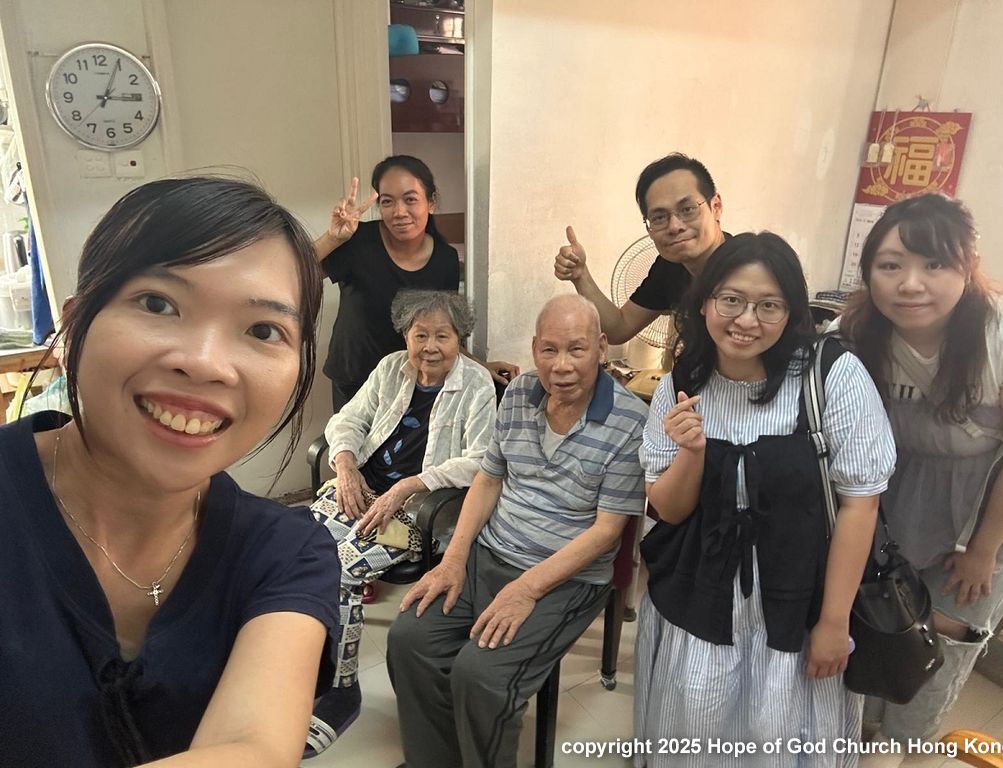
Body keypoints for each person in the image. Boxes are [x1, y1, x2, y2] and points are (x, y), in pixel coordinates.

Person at [0, 177, 341, 767]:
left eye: (263, 330)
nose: (206, 364)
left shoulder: (288, 551)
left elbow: (254, 749)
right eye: (158, 304)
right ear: (73, 327)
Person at [635, 233, 896, 767]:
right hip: (701, 597)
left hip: (798, 598)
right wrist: (691, 453)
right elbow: (670, 509)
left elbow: (860, 503)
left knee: (779, 735)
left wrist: (834, 622)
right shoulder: (682, 381)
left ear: (792, 313)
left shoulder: (830, 376)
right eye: (731, 300)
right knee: (697, 726)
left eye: (768, 305)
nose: (746, 320)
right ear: (704, 302)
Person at [386, 294, 648, 768]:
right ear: (534, 349)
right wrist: (453, 559)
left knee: (481, 675)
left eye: (577, 349)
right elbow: (488, 479)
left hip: (565, 578)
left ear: (601, 347)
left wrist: (526, 589)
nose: (562, 366)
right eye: (549, 350)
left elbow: (607, 531)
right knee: (410, 640)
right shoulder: (520, 392)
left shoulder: (630, 420)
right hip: (490, 553)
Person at [839, 194, 1003, 759]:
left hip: (987, 506)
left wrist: (983, 551)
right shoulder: (857, 331)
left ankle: (900, 743)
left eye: (934, 264)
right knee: (878, 615)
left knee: (945, 633)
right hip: (894, 494)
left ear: (967, 266)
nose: (910, 284)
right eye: (891, 265)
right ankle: (857, 727)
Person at [304, 289, 495, 758]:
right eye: (420, 334)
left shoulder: (476, 384)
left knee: (341, 567)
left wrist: (410, 485)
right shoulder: (391, 367)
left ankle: (341, 689)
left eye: (442, 336)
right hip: (361, 492)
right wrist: (345, 465)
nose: (430, 346)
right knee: (296, 551)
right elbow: (348, 420)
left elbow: (481, 460)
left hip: (418, 512)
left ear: (460, 339)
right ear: (405, 335)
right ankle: (303, 668)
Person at [315, 155, 517, 410]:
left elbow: (443, 329)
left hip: (414, 382)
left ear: (431, 203)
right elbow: (296, 271)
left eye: (410, 199)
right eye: (387, 201)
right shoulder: (358, 240)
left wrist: (480, 366)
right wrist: (332, 238)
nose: (399, 212)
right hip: (354, 381)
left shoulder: (445, 259)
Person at [553, 152, 728, 343]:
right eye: (659, 217)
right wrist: (580, 275)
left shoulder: (746, 270)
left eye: (687, 210)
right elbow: (619, 328)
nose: (674, 226)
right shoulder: (670, 267)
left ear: (716, 207)